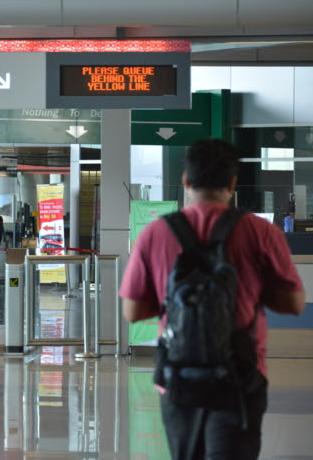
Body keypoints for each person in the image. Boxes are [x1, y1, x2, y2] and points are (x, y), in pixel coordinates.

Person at [119, 139, 305, 460]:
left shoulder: (156, 233)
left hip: (178, 377)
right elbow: (293, 304)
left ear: (186, 182)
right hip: (240, 378)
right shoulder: (260, 232)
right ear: (232, 183)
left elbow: (133, 310)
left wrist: (174, 301)